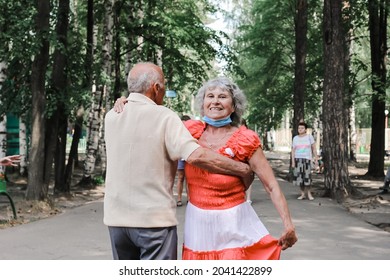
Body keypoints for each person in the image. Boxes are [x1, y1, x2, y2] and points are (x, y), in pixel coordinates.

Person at [105, 62, 253, 260]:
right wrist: (242, 169)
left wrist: (123, 99)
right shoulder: (164, 117)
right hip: (153, 223)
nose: (164, 92)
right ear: (156, 88)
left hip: (116, 222)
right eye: (164, 86)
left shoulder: (112, 116)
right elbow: (196, 155)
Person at [181, 77, 297, 260]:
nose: (215, 101)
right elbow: (155, 126)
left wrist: (288, 224)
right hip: (197, 226)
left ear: (234, 106)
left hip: (234, 226)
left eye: (223, 96)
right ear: (203, 103)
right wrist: (127, 102)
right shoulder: (189, 131)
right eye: (210, 96)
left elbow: (271, 185)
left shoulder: (245, 139)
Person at [291, 121, 318, 200]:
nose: (300, 129)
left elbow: (314, 148)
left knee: (307, 177)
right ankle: (302, 194)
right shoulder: (295, 138)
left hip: (307, 159)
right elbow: (293, 150)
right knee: (300, 178)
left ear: (305, 129)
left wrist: (316, 159)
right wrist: (293, 162)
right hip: (298, 159)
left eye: (302, 128)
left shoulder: (309, 137)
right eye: (299, 128)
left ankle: (309, 194)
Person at [176, 115, 191, 207]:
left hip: (189, 156)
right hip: (181, 156)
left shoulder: (193, 130)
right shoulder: (178, 131)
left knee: (189, 179)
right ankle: (179, 198)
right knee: (181, 178)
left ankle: (190, 198)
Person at [241, 118, 253, 204]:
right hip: (239, 159)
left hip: (248, 159)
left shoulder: (249, 134)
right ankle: (243, 197)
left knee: (248, 178)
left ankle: (248, 198)